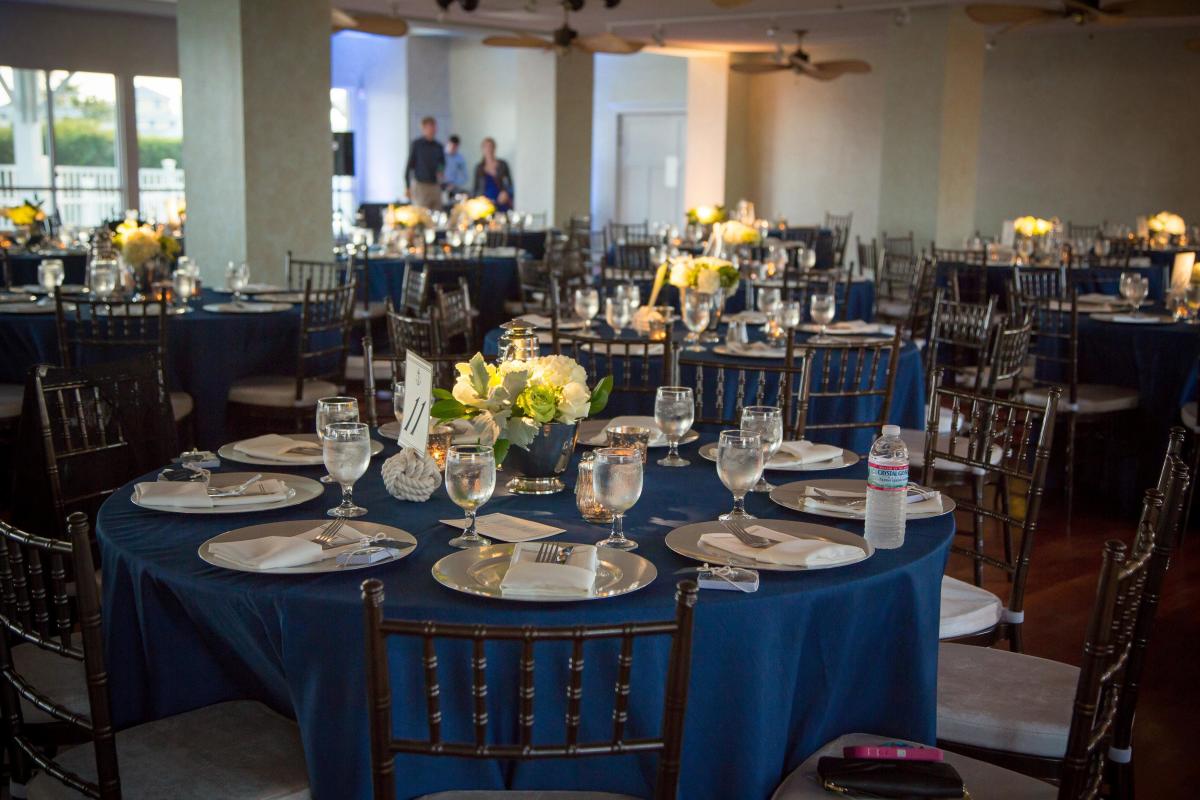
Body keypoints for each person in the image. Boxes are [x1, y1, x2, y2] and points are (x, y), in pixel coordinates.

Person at [405, 117, 444, 209]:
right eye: (430, 127)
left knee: (437, 213)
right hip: (421, 185)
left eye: (434, 127)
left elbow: (442, 163)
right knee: (422, 215)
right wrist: (407, 186)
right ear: (424, 128)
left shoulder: (439, 146)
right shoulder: (417, 145)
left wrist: (440, 170)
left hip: (435, 185)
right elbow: (409, 166)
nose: (433, 130)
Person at [473, 137, 514, 213]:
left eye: (491, 146)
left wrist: (506, 193)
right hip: (485, 206)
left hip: (502, 203)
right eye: (486, 147)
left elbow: (510, 185)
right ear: (482, 149)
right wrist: (481, 200)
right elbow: (476, 189)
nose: (489, 149)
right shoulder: (479, 168)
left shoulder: (503, 165)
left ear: (494, 148)